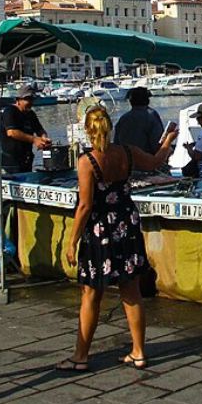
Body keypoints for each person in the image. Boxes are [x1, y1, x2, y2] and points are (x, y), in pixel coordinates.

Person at [59, 107, 176, 372]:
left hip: (100, 230)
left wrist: (72, 240)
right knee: (130, 289)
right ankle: (139, 351)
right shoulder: (127, 152)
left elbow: (85, 206)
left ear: (88, 131)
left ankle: (81, 355)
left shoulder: (87, 161)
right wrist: (167, 141)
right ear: (109, 128)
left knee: (91, 292)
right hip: (127, 224)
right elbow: (156, 161)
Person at [0, 84, 50, 174]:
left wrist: (44, 138)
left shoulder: (31, 114)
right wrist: (34, 139)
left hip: (26, 159)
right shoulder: (10, 111)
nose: (30, 102)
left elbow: (39, 130)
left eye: (32, 99)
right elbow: (11, 132)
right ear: (18, 100)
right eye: (27, 99)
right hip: (11, 161)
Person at [113, 87, 165, 155]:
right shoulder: (151, 116)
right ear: (147, 100)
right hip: (148, 159)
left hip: (126, 161)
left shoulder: (123, 119)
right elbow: (157, 143)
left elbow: (116, 143)